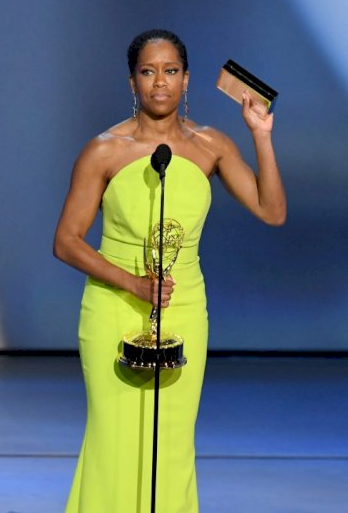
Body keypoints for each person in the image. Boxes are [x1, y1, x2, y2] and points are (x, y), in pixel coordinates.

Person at [54, 29, 286, 513]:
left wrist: (260, 136)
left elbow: (272, 210)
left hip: (183, 308)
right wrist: (133, 283)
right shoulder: (105, 150)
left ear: (187, 80)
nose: (160, 82)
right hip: (115, 308)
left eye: (170, 71)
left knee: (173, 444)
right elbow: (67, 242)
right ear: (132, 81)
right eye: (148, 71)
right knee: (113, 439)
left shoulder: (211, 146)